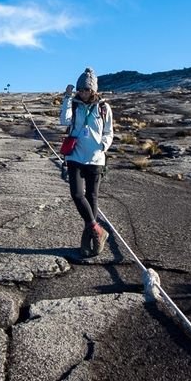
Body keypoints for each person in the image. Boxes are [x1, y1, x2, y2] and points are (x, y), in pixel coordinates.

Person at [60, 67, 114, 256]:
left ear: (93, 90)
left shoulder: (103, 108)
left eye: (85, 89)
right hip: (75, 155)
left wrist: (103, 146)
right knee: (76, 194)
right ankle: (97, 229)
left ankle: (89, 235)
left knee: (92, 197)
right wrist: (67, 98)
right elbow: (64, 121)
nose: (81, 93)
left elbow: (109, 132)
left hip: (95, 158)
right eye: (79, 90)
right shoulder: (74, 104)